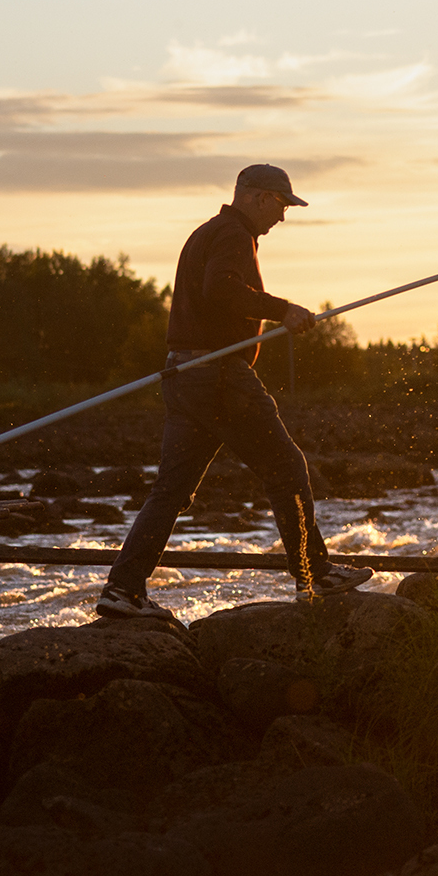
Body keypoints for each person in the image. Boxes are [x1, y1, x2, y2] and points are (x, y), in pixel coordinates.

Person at [95, 164, 372, 620]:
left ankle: (123, 589)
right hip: (218, 377)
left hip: (183, 375)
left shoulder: (206, 233)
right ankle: (315, 574)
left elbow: (215, 294)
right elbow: (221, 289)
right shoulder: (233, 235)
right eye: (281, 205)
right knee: (286, 468)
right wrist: (282, 310)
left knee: (170, 490)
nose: (282, 216)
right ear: (259, 197)